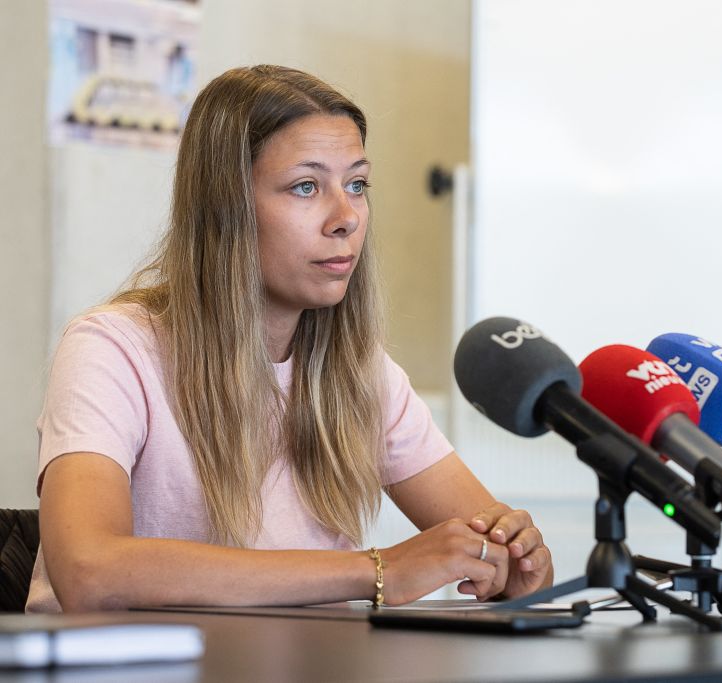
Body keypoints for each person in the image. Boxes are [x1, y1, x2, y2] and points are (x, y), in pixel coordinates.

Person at [27, 65, 553, 613]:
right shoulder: (111, 349)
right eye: (306, 187)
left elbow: (517, 571)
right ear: (225, 209)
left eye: (357, 184)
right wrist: (378, 570)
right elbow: (91, 572)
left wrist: (516, 558)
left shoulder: (362, 372)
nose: (346, 217)